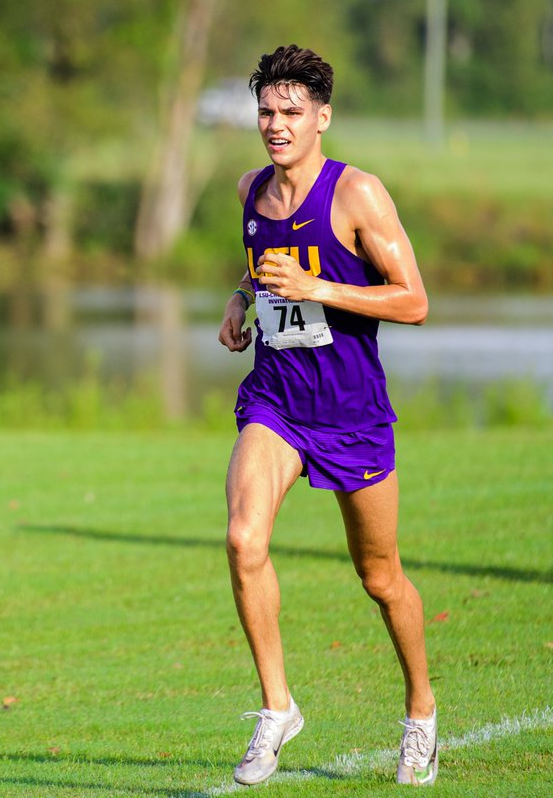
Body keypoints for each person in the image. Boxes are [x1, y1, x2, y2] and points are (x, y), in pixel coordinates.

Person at [217, 45, 437, 787]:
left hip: (352, 413)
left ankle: (421, 714)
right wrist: (242, 300)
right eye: (266, 112)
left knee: (380, 578)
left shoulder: (359, 196)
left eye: (290, 113)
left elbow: (414, 302)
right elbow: (259, 265)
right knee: (244, 538)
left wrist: (320, 288)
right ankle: (277, 709)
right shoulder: (250, 188)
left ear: (322, 118)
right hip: (277, 401)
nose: (275, 125)